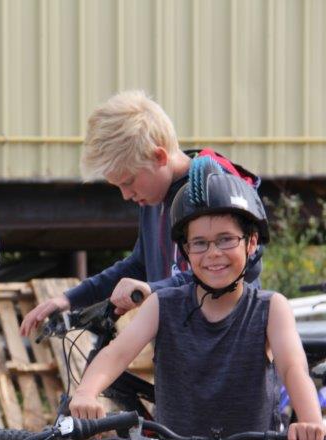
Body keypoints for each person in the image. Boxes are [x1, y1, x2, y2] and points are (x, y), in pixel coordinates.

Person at [68, 160, 326, 440]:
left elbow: (292, 367)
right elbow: (116, 353)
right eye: (199, 244)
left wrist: (310, 421)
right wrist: (87, 392)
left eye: (226, 239)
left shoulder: (270, 309)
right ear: (185, 253)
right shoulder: (164, 305)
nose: (213, 254)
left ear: (251, 243)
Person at [20, 89, 262, 336]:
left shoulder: (211, 189)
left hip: (227, 348)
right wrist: (69, 299)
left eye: (129, 181)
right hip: (179, 352)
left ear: (158, 156)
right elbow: (138, 265)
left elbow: (226, 272)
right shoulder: (154, 198)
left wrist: (152, 289)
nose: (126, 195)